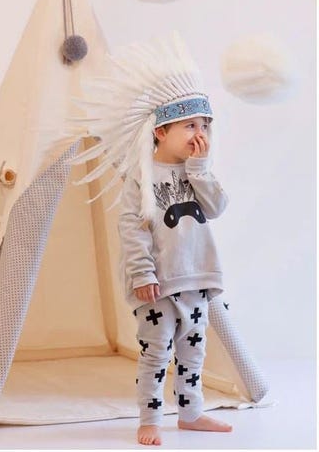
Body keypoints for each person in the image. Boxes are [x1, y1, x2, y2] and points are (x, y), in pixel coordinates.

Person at [118, 114, 233, 445]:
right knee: (156, 353)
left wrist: (199, 169)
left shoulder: (197, 171)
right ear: (161, 131)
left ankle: (190, 412)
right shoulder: (141, 175)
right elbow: (132, 227)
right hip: (158, 284)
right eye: (190, 126)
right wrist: (142, 271)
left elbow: (216, 207)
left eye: (205, 126)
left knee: (193, 352)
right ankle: (150, 420)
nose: (200, 134)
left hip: (195, 278)